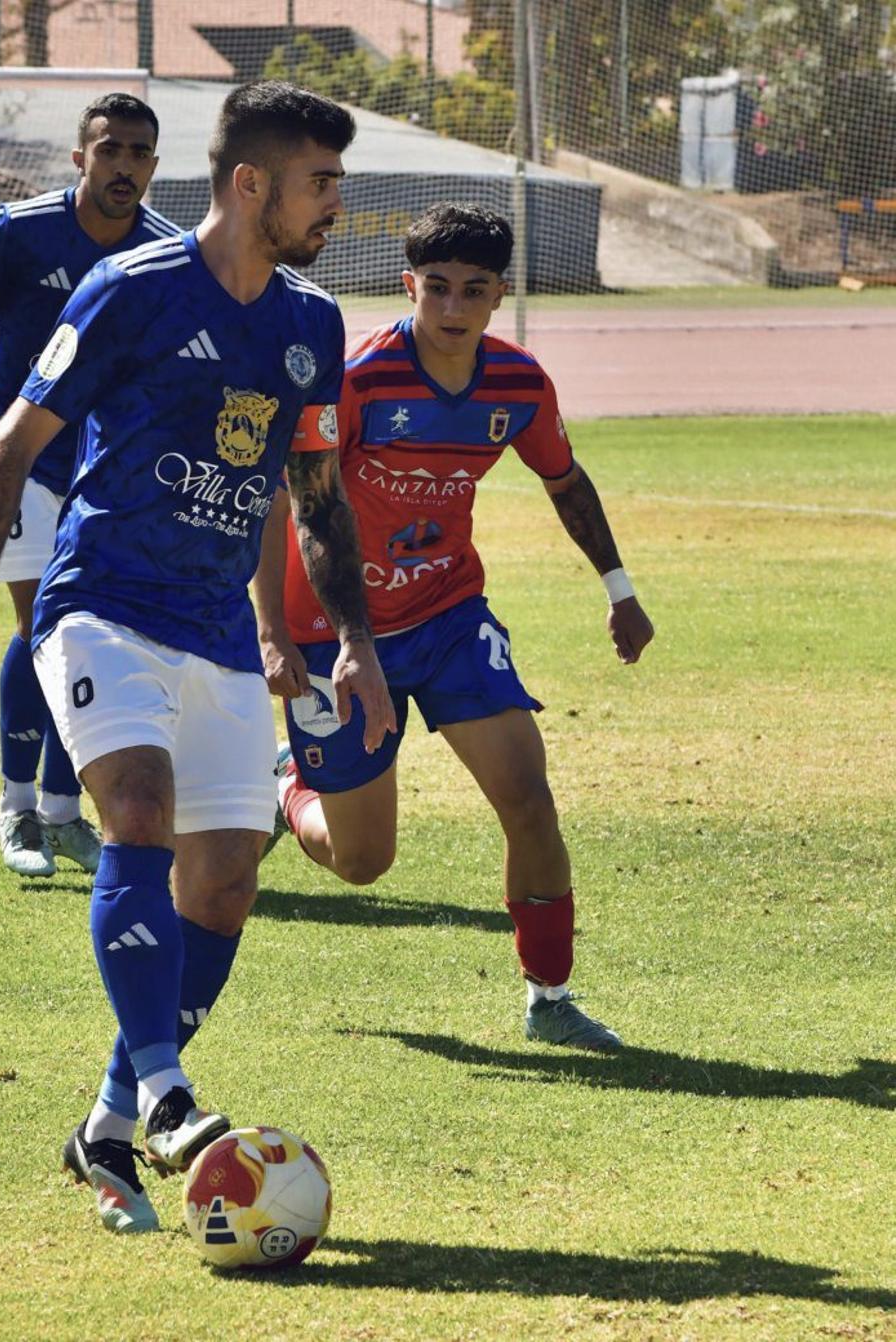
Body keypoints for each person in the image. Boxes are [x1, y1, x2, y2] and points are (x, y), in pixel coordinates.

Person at [0, 81, 395, 1235]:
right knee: (135, 809)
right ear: (251, 183)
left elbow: (318, 496)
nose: (336, 201)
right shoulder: (130, 288)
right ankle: (172, 1094)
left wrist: (356, 643)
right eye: (319, 182)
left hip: (221, 633)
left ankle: (110, 1117)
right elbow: (14, 445)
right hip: (102, 603)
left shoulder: (310, 324)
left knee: (224, 880)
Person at [257, 202, 654, 1053]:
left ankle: (550, 998)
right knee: (364, 862)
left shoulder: (518, 383)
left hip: (447, 613)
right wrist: (271, 632)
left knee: (528, 795)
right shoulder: (357, 377)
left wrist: (620, 589)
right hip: (332, 629)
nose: (451, 308)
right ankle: (285, 786)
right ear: (410, 286)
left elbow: (566, 481)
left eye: (472, 291)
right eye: (435, 288)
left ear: (498, 296)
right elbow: (285, 501)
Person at [0, 92, 180, 879]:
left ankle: (63, 812)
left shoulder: (162, 255)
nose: (124, 165)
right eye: (110, 149)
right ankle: (18, 807)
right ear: (80, 157)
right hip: (13, 458)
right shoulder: (16, 232)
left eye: (138, 153)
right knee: (46, 625)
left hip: (100, 470)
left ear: (155, 167)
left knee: (81, 630)